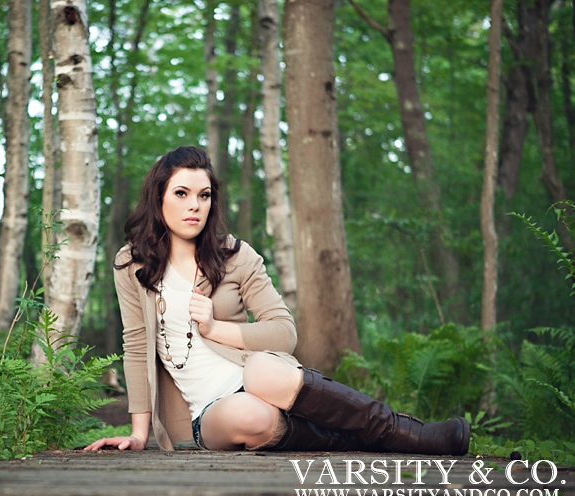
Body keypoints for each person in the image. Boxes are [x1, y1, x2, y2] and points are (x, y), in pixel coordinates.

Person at [84, 146, 470, 454]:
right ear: (159, 198)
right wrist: (138, 433)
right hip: (209, 412)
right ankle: (366, 438)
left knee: (261, 373)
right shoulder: (132, 263)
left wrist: (217, 328)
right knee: (250, 415)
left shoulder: (237, 256)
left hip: (267, 381)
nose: (194, 206)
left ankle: (401, 432)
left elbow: (285, 334)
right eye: (181, 194)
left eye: (203, 195)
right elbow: (135, 346)